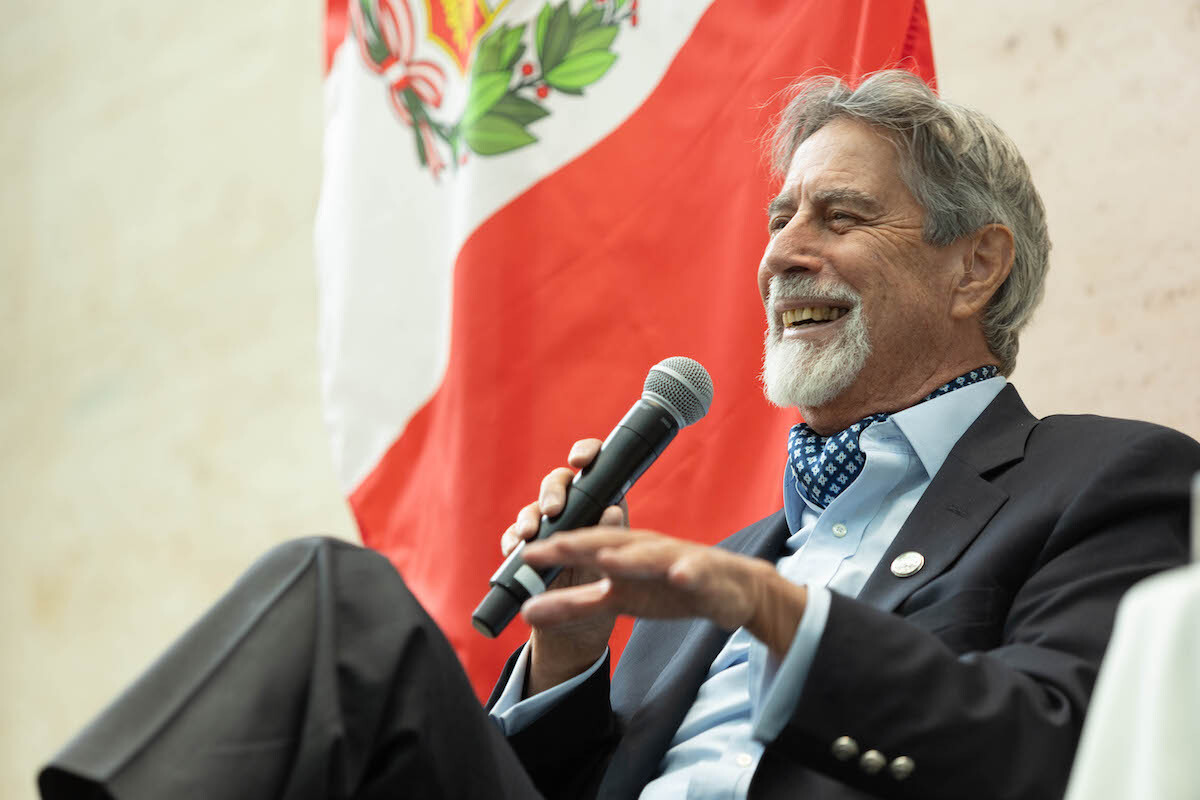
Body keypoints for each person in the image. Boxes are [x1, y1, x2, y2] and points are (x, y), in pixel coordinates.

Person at [39, 70, 1200, 800]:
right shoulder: (730, 555)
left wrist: (767, 607)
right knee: (341, 637)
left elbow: (1055, 759)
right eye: (779, 216)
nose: (783, 251)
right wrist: (569, 657)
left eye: (840, 215)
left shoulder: (1109, 477)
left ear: (975, 264)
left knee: (335, 598)